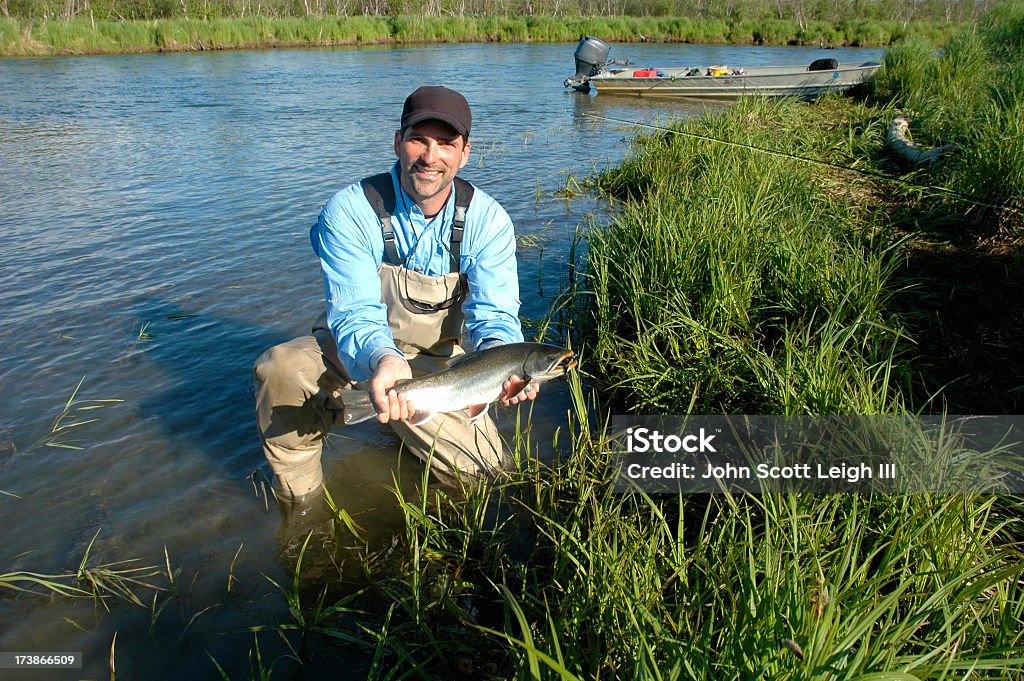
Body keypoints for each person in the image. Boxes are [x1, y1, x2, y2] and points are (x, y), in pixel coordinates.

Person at [253, 85, 539, 503]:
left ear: (465, 153)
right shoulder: (350, 210)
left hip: (440, 368)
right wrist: (385, 359)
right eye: (417, 140)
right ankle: (302, 507)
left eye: (446, 144)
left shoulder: (489, 221)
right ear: (397, 142)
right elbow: (354, 313)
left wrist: (505, 363)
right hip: (355, 351)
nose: (430, 156)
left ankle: (404, 432)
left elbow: (494, 318)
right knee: (280, 370)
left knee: (490, 479)